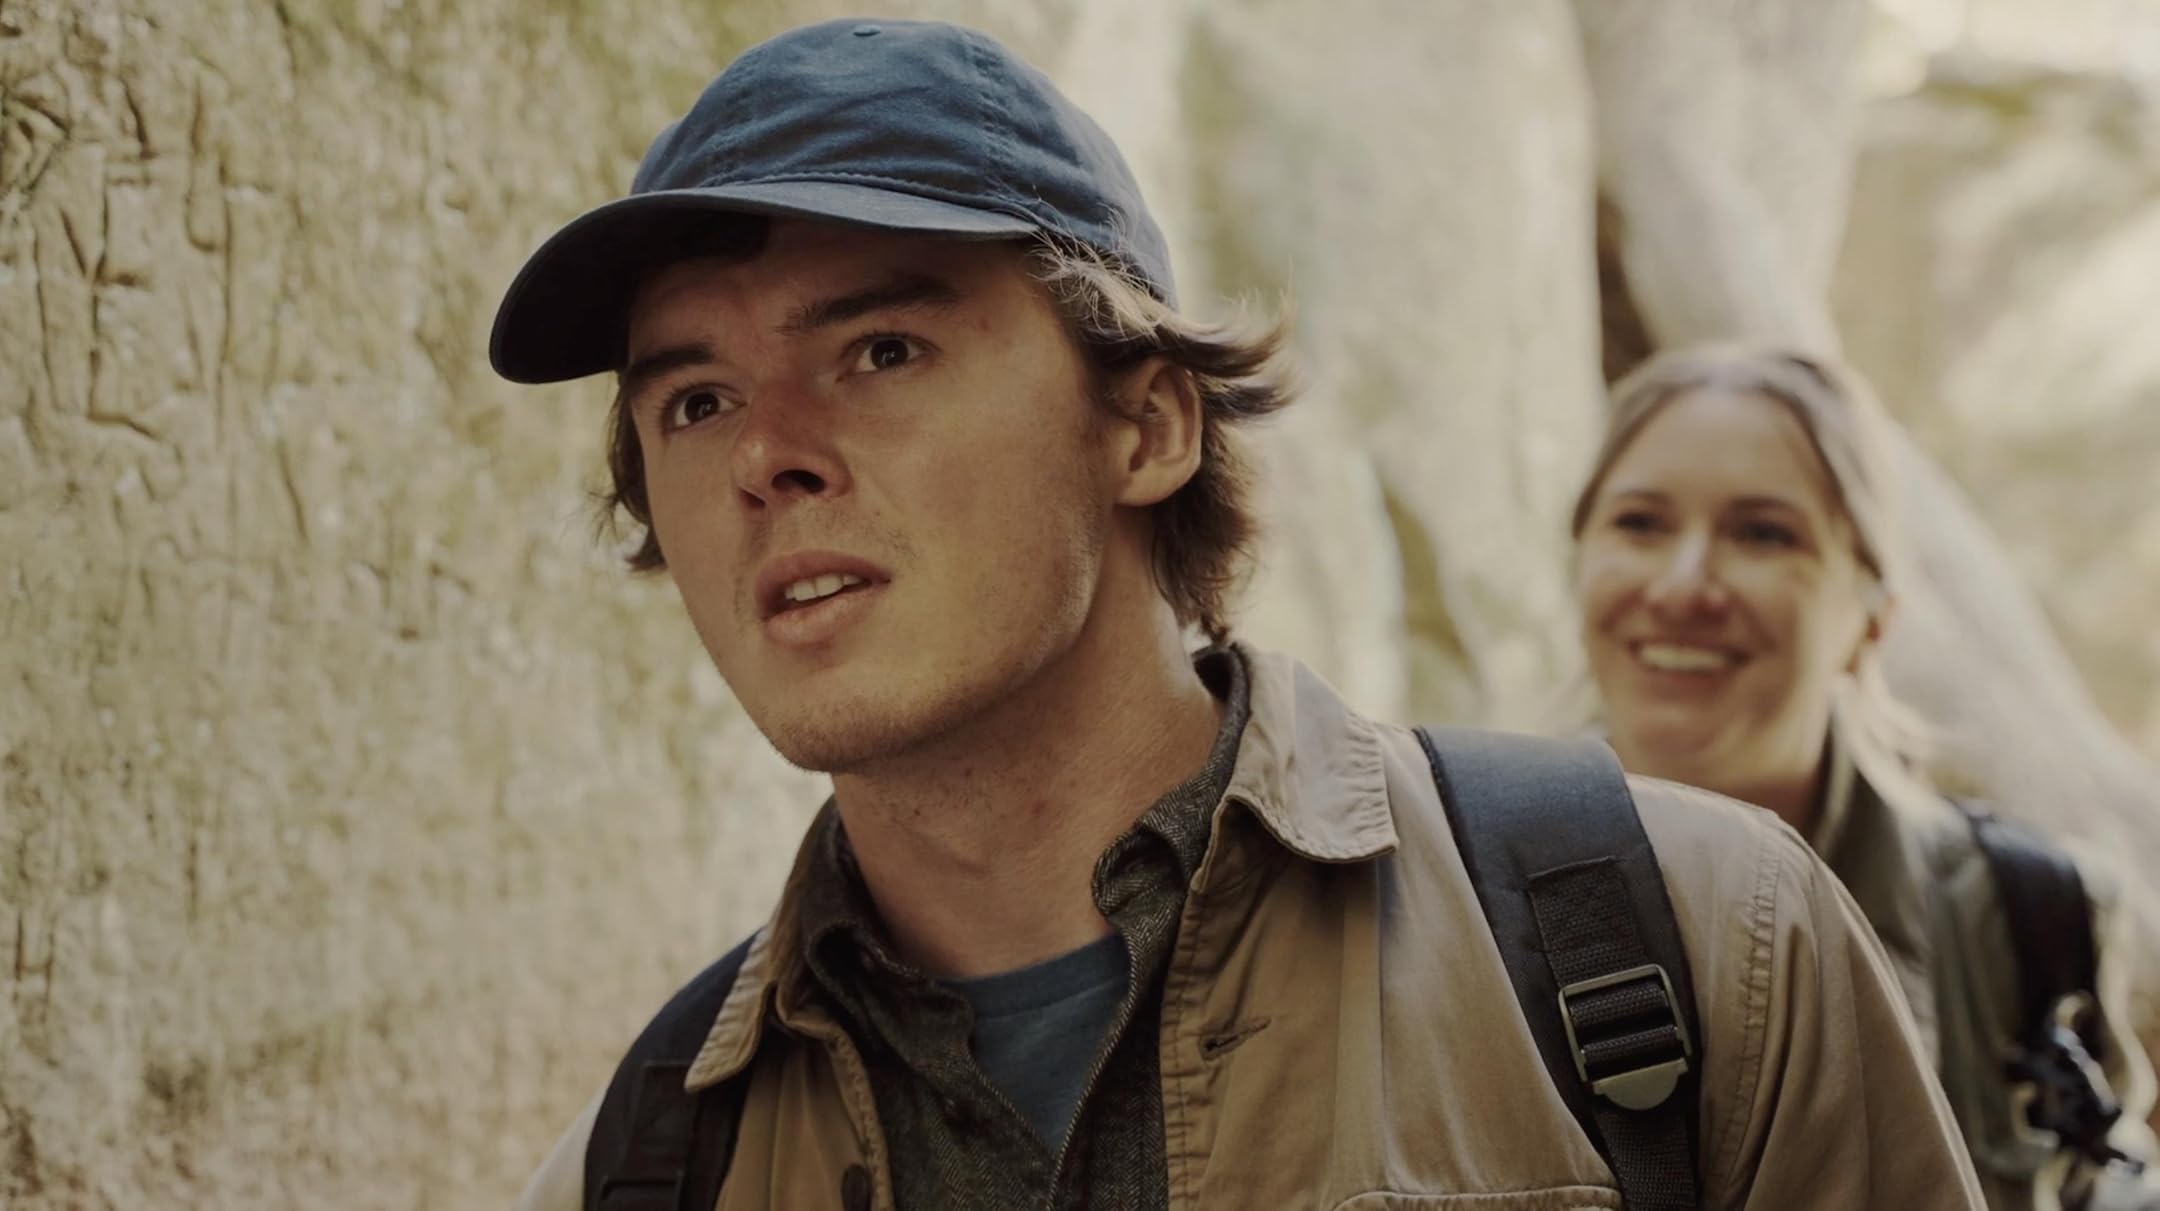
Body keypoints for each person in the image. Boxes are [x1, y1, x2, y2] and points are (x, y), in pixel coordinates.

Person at [491, 19, 1982, 1210]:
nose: (765, 454)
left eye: (883, 347)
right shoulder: (651, 1152)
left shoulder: (1697, 943)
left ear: (1146, 425)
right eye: (694, 398)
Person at [1567, 344, 2160, 1210]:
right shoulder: (1452, 892)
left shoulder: (2030, 919)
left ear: (1874, 611)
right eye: (1640, 523)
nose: (1684, 583)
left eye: (1762, 533)